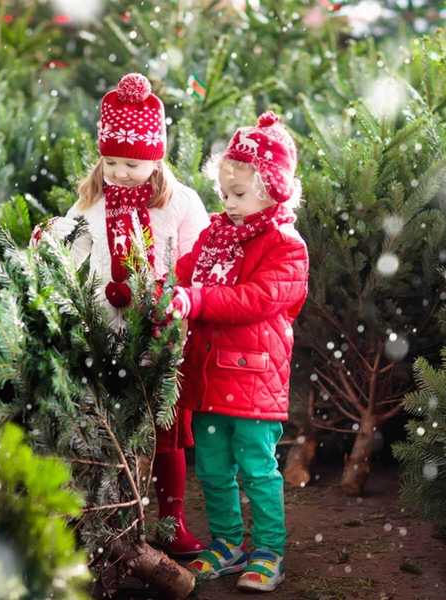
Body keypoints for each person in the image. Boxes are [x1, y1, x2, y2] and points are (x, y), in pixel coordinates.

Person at [32, 73, 209, 557]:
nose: (120, 172)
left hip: (160, 335)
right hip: (106, 336)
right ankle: (114, 521)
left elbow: (198, 260)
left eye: (131, 163)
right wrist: (52, 237)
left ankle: (171, 522)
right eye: (111, 161)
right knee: (112, 432)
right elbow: (71, 245)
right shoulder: (92, 201)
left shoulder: (180, 204)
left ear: (156, 157)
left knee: (166, 435)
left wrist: (170, 297)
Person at [167, 111, 309, 591]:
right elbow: (184, 273)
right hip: (208, 377)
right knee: (210, 467)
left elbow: (257, 299)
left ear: (272, 190)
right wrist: (163, 291)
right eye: (224, 193)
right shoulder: (214, 236)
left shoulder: (285, 246)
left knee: (256, 468)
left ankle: (269, 549)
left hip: (253, 379)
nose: (227, 203)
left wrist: (199, 299)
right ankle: (227, 543)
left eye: (240, 194)